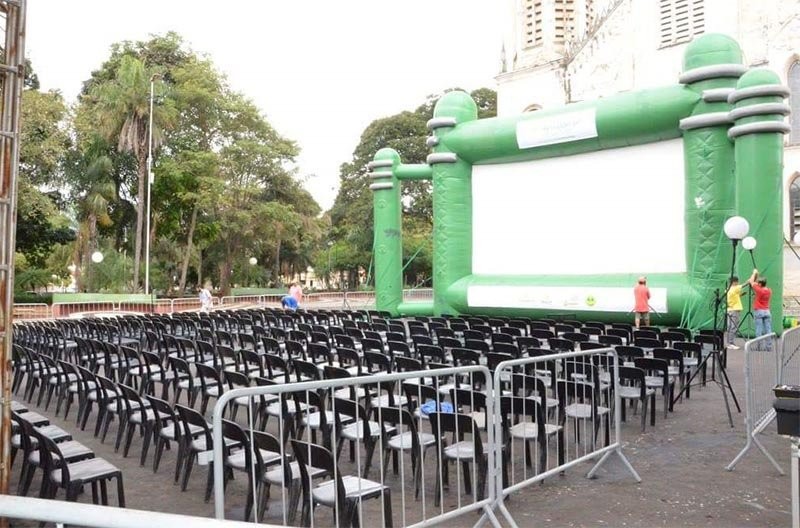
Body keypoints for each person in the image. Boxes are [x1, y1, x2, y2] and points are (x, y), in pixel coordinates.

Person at [748, 269, 772, 348]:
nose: (757, 284)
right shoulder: (769, 290)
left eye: (759, 283)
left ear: (760, 284)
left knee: (759, 329)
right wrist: (757, 275)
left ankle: (759, 346)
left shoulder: (759, 290)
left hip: (759, 311)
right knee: (768, 330)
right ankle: (769, 346)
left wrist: (754, 273)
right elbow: (755, 283)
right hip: (767, 311)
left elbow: (751, 281)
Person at [726, 276, 743, 349]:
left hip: (729, 309)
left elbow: (733, 297)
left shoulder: (728, 289)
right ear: (734, 282)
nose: (738, 283)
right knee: (734, 327)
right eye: (737, 282)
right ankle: (731, 343)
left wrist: (740, 295)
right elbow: (747, 282)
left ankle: (729, 343)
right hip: (735, 310)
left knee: (730, 327)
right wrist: (755, 273)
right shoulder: (735, 288)